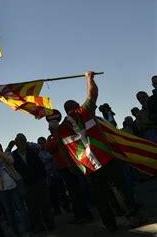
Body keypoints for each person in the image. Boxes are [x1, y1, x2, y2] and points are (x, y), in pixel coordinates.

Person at [58, 71, 145, 232]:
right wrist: (89, 78)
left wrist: (72, 165)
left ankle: (110, 224)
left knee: (100, 196)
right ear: (76, 107)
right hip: (104, 157)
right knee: (121, 187)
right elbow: (93, 94)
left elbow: (64, 151)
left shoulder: (61, 129)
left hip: (88, 166)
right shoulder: (84, 112)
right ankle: (133, 215)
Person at [46, 119, 93, 225]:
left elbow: (49, 148)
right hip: (67, 166)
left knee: (74, 191)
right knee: (75, 191)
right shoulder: (60, 134)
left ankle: (82, 214)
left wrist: (49, 139)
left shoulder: (57, 136)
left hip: (67, 166)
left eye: (50, 128)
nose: (49, 130)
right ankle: (83, 213)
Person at [0, 141, 29, 237]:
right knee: (9, 212)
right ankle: (16, 233)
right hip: (1, 189)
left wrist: (0, 154)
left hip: (13, 185)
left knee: (21, 208)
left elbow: (11, 161)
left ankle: (27, 230)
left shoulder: (6, 154)